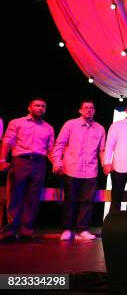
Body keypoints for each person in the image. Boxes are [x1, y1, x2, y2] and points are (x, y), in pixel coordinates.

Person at [0, 98, 55, 242]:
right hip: (20, 161)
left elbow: (50, 149)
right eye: (37, 105)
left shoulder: (48, 128)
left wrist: (57, 163)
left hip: (39, 163)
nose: (40, 108)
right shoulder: (17, 123)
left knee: (33, 199)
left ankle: (27, 232)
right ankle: (10, 232)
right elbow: (8, 141)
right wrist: (2, 160)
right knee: (15, 196)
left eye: (43, 106)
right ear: (29, 108)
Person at [52, 100, 106, 241]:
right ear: (80, 110)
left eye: (91, 108)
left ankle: (82, 229)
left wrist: (105, 164)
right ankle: (67, 229)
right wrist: (57, 161)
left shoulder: (99, 128)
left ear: (94, 111)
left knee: (88, 201)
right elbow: (60, 144)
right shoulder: (71, 124)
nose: (89, 110)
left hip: (91, 170)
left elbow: (102, 150)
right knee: (70, 200)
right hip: (72, 168)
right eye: (86, 108)